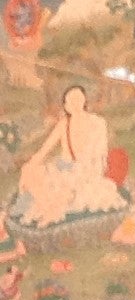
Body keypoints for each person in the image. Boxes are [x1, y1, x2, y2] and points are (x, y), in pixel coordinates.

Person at [9, 84, 126, 230]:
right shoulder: (64, 123)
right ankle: (33, 213)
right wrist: (31, 164)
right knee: (33, 173)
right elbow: (45, 149)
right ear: (66, 106)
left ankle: (51, 215)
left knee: (63, 188)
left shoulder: (97, 123)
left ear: (84, 100)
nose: (75, 103)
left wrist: (81, 170)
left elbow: (98, 155)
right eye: (71, 100)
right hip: (64, 166)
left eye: (78, 98)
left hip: (87, 171)